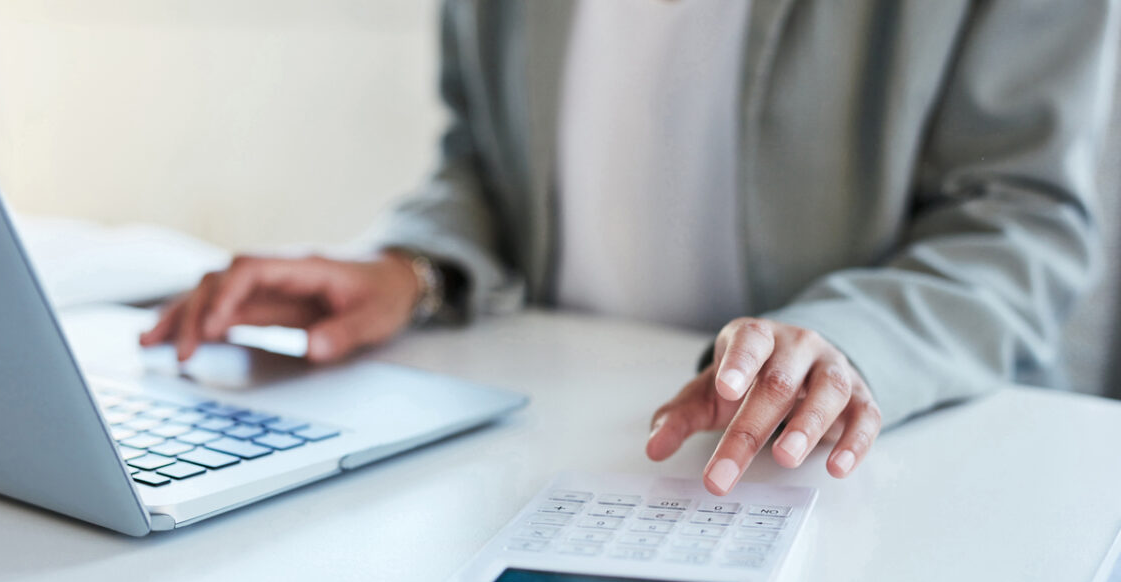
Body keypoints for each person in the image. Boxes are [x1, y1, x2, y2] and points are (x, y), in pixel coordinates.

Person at [141, 0, 1118, 495]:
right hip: (555, 441)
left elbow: (1019, 215)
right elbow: (484, 155)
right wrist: (413, 268)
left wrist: (843, 345)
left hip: (850, 471)